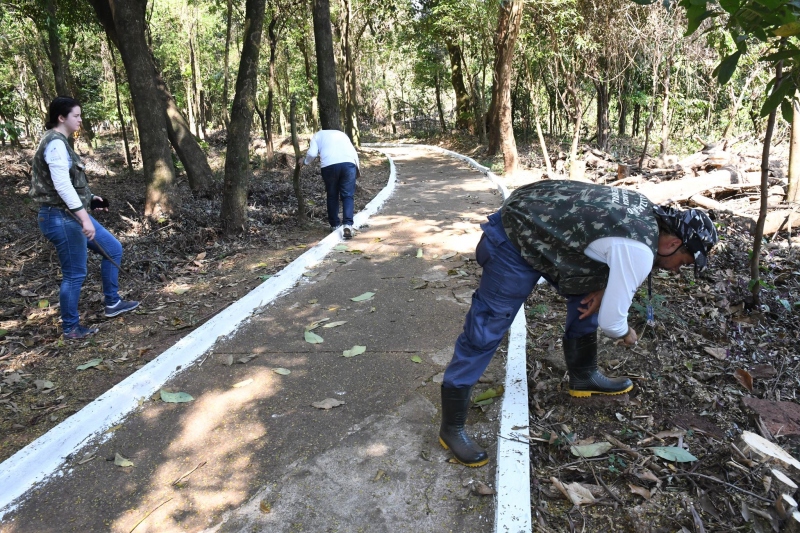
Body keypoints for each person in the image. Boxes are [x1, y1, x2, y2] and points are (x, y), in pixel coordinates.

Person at [439, 180, 719, 467]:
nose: (677, 270)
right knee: (488, 325)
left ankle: (583, 376)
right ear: (673, 244)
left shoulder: (646, 215)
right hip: (518, 231)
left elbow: (602, 243)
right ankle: (452, 426)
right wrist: (627, 333)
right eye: (683, 262)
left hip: (548, 225)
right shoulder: (638, 249)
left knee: (591, 293)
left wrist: (604, 286)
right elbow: (613, 323)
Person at [30, 96, 139, 340]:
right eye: (76, 115)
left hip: (70, 214)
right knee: (75, 274)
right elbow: (61, 186)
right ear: (61, 117)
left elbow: (69, 184)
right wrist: (85, 219)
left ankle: (112, 302)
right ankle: (71, 328)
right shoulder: (55, 144)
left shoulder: (61, 142)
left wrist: (91, 200)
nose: (80, 120)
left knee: (112, 248)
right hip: (60, 218)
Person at [298, 130, 360, 239]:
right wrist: (357, 170)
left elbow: (312, 153)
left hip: (329, 166)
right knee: (348, 196)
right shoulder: (342, 134)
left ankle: (335, 225)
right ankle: (348, 225)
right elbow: (353, 151)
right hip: (349, 164)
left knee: (332, 195)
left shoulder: (317, 136)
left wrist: (305, 162)